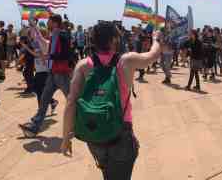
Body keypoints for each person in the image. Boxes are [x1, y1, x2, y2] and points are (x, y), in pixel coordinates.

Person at [60, 22, 161, 180]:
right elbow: (153, 55)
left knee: (108, 174)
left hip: (94, 133)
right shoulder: (126, 61)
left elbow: (71, 103)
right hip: (121, 134)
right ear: (114, 40)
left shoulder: (83, 65)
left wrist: (66, 137)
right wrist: (156, 39)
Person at [19, 14, 71, 136]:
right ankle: (34, 127)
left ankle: (85, 121)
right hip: (53, 73)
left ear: (55, 23)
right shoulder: (53, 36)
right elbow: (40, 37)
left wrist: (48, 56)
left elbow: (65, 54)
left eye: (49, 21)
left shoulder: (62, 35)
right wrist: (33, 25)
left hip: (61, 73)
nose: (47, 23)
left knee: (71, 100)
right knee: (44, 99)